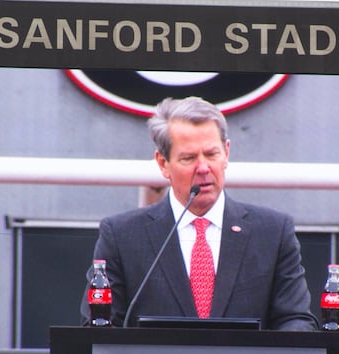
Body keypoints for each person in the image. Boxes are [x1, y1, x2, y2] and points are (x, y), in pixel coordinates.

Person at [83, 96, 316, 332]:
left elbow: (295, 320)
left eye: (211, 154)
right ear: (163, 163)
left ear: (226, 153)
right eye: (189, 158)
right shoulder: (122, 236)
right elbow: (100, 325)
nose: (203, 168)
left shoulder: (272, 232)